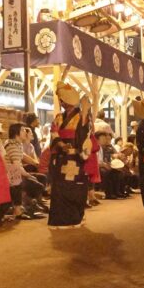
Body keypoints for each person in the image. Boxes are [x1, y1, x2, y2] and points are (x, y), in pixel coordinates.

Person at [45, 83, 92, 228]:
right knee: (59, 188)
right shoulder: (59, 117)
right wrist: (60, 144)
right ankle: (60, 219)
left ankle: (75, 217)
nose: (62, 103)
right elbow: (53, 133)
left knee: (74, 188)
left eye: (63, 100)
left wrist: (85, 115)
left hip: (75, 158)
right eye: (61, 100)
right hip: (61, 157)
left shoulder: (82, 117)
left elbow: (85, 136)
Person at [4, 123, 45, 218]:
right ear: (16, 133)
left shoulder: (17, 144)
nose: (25, 132)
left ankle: (34, 204)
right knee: (36, 185)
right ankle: (25, 207)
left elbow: (24, 156)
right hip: (11, 177)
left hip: (15, 175)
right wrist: (28, 175)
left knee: (41, 178)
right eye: (22, 130)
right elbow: (16, 167)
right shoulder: (12, 145)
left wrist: (36, 163)